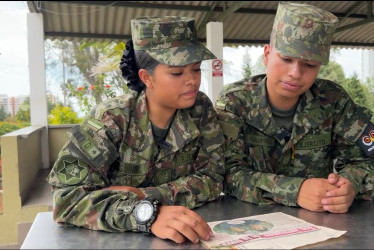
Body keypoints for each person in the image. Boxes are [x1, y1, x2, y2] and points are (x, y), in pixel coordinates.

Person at [46, 16, 225, 244]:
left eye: (197, 69)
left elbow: (214, 177)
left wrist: (145, 196)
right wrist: (145, 214)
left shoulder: (200, 109)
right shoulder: (111, 119)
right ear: (146, 77)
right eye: (177, 73)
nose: (192, 80)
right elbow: (66, 200)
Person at [215, 2, 374, 214]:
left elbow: (364, 160)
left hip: (321, 222)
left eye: (310, 65)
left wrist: (349, 185)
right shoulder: (234, 102)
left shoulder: (334, 101)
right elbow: (226, 174)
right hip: (250, 219)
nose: (296, 73)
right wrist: (294, 190)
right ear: (267, 54)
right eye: (286, 59)